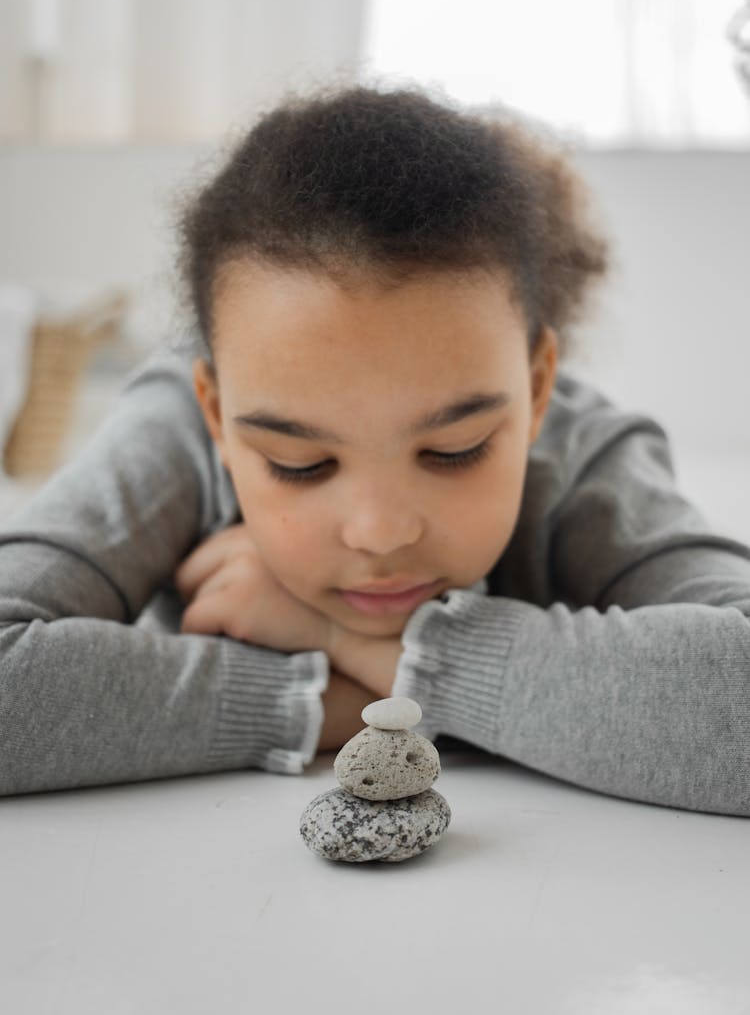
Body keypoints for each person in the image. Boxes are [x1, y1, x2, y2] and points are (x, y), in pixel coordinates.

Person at [1, 84, 749, 814]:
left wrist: (363, 649)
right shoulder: (171, 430)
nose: (380, 531)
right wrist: (325, 703)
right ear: (218, 415)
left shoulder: (585, 457)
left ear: (538, 388)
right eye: (302, 464)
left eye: (454, 449)